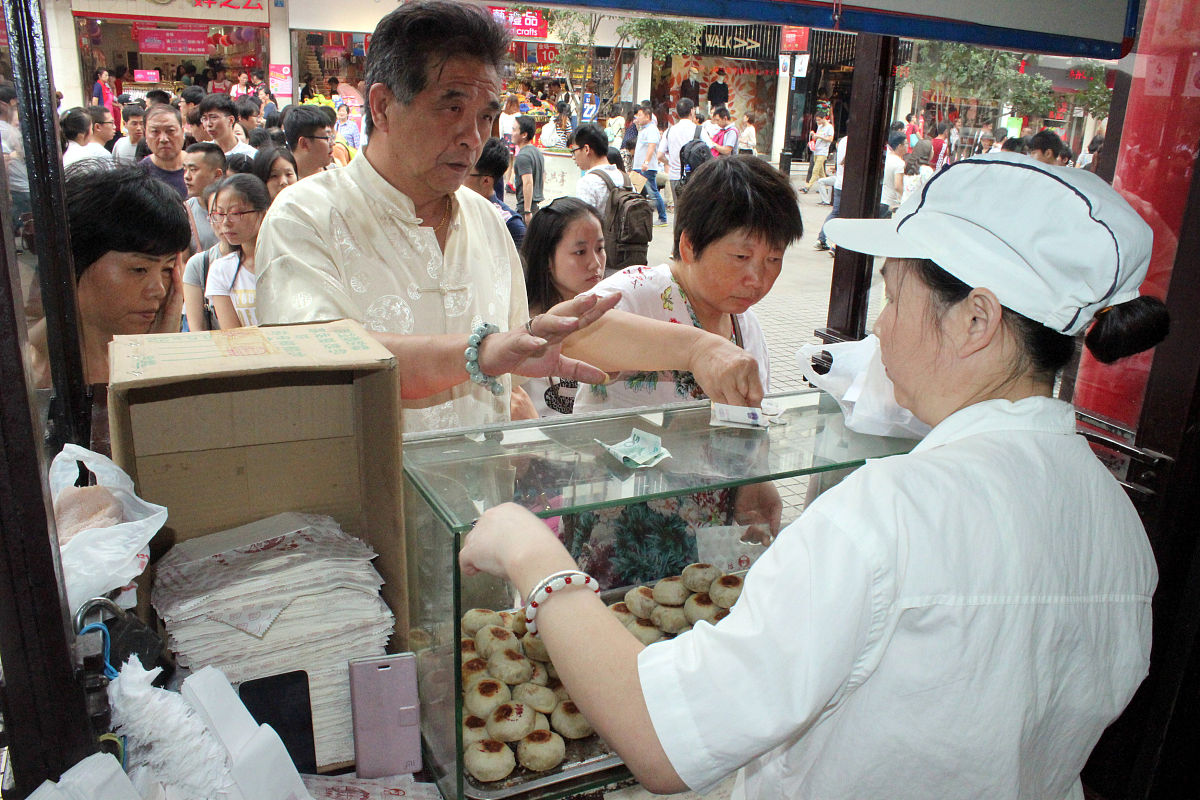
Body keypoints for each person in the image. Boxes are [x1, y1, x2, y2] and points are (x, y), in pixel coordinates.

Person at [458, 151, 1166, 800]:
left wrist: (530, 552)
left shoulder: (888, 516)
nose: (880, 330)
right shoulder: (1115, 521)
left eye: (894, 297)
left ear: (975, 318)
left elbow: (660, 736)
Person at [255, 0, 630, 435]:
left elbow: (514, 355)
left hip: (485, 496)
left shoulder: (488, 223)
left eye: (486, 117)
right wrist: (481, 353)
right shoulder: (303, 217)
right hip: (372, 499)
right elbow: (325, 361)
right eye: (452, 108)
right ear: (381, 106)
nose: (473, 138)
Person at [28, 166, 186, 385]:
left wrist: (159, 348)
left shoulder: (148, 361)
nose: (158, 290)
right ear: (72, 262)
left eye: (168, 269)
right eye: (139, 269)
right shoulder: (24, 374)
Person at [519, 197, 607, 416]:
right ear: (547, 259)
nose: (596, 263)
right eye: (580, 252)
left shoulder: (610, 317)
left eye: (600, 248)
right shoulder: (521, 329)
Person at [204, 173, 269, 328]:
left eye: (236, 213)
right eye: (219, 214)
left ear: (262, 213)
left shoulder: (288, 262)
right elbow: (232, 334)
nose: (226, 222)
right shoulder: (221, 270)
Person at [465, 137, 525, 248]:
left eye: (465, 173)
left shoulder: (510, 224)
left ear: (486, 180)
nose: (459, 179)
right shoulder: (453, 208)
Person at [182, 142, 226, 253]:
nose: (187, 176)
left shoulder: (238, 209)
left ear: (217, 175)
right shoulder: (184, 211)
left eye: (193, 170)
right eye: (185, 170)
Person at [0, 85, 30, 240]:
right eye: (16, 104)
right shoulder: (4, 130)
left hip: (19, 185)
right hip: (18, 187)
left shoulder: (9, 128)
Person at [139, 105, 187, 199]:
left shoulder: (201, 169)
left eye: (170, 131)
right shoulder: (139, 176)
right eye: (155, 132)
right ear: (145, 135)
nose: (163, 139)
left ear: (182, 132)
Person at [571, 123, 622, 211]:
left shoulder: (587, 183)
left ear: (586, 149)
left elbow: (584, 222)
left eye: (574, 151)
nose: (573, 157)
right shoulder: (624, 178)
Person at [632, 104, 667, 226]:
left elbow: (652, 146)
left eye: (640, 115)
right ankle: (638, 217)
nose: (638, 117)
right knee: (637, 191)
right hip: (638, 166)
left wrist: (646, 162)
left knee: (653, 192)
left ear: (647, 116)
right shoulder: (644, 129)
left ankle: (662, 218)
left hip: (646, 167)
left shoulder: (652, 129)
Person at [814, 132, 848, 253]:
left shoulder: (843, 141)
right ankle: (836, 245)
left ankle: (821, 239)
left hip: (839, 183)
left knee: (835, 213)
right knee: (846, 216)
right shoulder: (854, 142)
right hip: (848, 185)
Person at [658, 97, 698, 199]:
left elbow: (660, 155)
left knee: (678, 209)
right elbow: (710, 148)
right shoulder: (699, 130)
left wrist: (670, 163)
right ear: (692, 111)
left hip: (675, 176)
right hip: (694, 177)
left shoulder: (669, 131)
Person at [284, 104, 335, 179]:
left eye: (332, 137)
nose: (333, 143)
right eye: (327, 138)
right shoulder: (285, 182)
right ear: (304, 143)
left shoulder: (334, 172)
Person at [199, 93, 256, 158]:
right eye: (204, 118)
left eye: (214, 117)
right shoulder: (202, 153)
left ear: (231, 120)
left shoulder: (250, 155)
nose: (209, 124)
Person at [513, 114, 544, 224]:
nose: (512, 133)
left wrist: (527, 211)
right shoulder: (537, 152)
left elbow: (528, 183)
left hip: (527, 207)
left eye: (514, 130)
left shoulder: (523, 156)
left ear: (524, 134)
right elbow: (542, 176)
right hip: (535, 205)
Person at [802, 112, 833, 193]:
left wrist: (819, 136)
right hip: (816, 150)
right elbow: (816, 138)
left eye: (819, 120)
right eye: (816, 120)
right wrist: (814, 135)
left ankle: (807, 186)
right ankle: (825, 186)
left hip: (823, 151)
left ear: (824, 118)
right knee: (821, 171)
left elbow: (830, 139)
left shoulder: (830, 127)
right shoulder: (819, 127)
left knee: (815, 170)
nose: (817, 122)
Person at [880, 130, 906, 218]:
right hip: (890, 203)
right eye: (905, 144)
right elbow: (898, 186)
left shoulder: (886, 158)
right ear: (899, 146)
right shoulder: (899, 163)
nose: (907, 146)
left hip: (881, 199)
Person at [900, 137, 933, 206]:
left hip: (904, 204)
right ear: (927, 153)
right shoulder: (927, 170)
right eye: (932, 150)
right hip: (915, 206)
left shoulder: (907, 165)